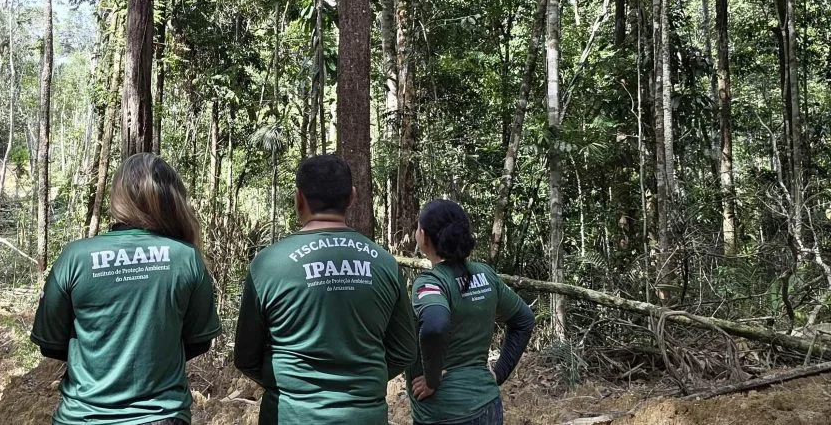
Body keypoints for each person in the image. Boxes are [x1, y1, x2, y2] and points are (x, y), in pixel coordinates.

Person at [31, 153, 221, 425]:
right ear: (173, 199)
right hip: (162, 416)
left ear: (118, 198)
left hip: (84, 417)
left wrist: (97, 356)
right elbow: (199, 340)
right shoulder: (185, 257)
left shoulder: (75, 257)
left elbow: (50, 343)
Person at [234, 154, 417, 424]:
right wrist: (360, 385)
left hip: (290, 415)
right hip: (364, 416)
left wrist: (294, 387)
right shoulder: (384, 263)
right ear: (352, 197)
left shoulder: (268, 264)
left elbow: (246, 356)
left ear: (299, 199)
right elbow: (404, 350)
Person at [407, 199, 535, 425]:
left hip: (444, 412)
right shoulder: (485, 275)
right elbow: (523, 319)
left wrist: (432, 380)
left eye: (418, 227)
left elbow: (435, 325)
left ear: (424, 237)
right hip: (488, 407)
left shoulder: (431, 282)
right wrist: (499, 373)